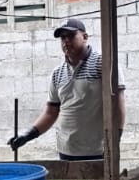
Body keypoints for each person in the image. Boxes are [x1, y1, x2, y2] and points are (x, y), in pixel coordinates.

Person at [7, 17, 124, 160]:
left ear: (85, 37)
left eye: (71, 36)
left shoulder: (103, 63)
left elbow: (117, 103)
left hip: (97, 151)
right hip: (66, 150)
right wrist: (27, 135)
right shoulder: (58, 73)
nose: (66, 41)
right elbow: (51, 113)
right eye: (63, 38)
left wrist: (116, 139)